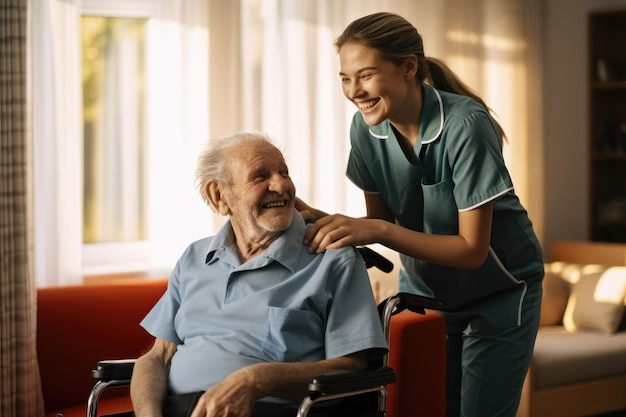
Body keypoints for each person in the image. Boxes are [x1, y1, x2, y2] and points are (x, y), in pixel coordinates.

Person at [296, 12, 544, 417]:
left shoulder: (466, 125)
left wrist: (375, 228)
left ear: (409, 67)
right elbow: (380, 223)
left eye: (366, 75)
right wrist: (314, 217)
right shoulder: (365, 129)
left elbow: (471, 251)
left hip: (499, 294)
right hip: (428, 294)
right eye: (344, 78)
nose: (354, 90)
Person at [130, 132, 388, 417]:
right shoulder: (194, 258)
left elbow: (351, 367)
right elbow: (158, 357)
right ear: (219, 196)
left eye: (284, 172)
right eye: (260, 176)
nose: (281, 185)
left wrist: (258, 380)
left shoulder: (333, 259)